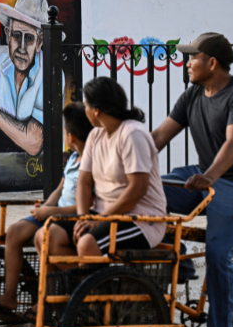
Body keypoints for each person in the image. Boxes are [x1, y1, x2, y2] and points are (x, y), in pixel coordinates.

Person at [150, 32, 233, 327]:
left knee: (218, 254)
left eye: (193, 57)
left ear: (212, 62)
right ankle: (182, 259)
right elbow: (159, 136)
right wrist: (122, 164)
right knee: (146, 192)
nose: (187, 63)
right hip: (206, 176)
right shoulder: (193, 94)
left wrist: (210, 177)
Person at [0, 102, 93, 323]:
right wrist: (46, 206)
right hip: (54, 214)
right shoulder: (73, 159)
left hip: (69, 218)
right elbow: (60, 190)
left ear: (70, 136)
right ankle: (9, 297)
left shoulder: (92, 162)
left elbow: (86, 207)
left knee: (45, 238)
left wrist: (50, 213)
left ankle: (45, 299)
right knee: (14, 232)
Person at [42, 77, 167, 265]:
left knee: (87, 243)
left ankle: (94, 284)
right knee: (47, 236)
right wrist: (83, 218)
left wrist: (101, 219)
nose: (84, 110)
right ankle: (79, 282)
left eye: (86, 106)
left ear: (96, 110)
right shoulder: (95, 135)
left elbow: (138, 188)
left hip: (140, 220)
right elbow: (84, 181)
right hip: (102, 214)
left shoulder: (132, 134)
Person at [0, 0, 62, 157]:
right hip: (8, 160)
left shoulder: (50, 72)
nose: (22, 47)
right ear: (7, 36)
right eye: (17, 36)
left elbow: (34, 143)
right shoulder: (2, 65)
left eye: (29, 38)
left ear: (39, 42)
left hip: (42, 167)